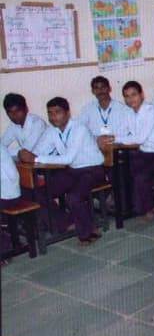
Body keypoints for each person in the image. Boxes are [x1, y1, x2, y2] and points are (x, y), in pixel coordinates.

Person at [17, 97, 105, 244]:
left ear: (67, 113)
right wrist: (24, 153)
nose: (53, 117)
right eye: (50, 113)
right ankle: (65, 223)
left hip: (93, 170)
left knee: (73, 197)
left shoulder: (79, 128)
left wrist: (36, 158)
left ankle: (88, 231)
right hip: (73, 171)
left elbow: (67, 158)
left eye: (58, 112)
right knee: (39, 193)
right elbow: (38, 151)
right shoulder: (52, 131)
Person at [117, 81, 154, 219]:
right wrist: (110, 137)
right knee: (122, 168)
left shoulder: (151, 111)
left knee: (141, 174)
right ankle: (130, 207)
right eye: (127, 96)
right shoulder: (129, 113)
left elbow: (139, 138)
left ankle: (149, 208)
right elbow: (123, 132)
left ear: (142, 95)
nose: (131, 99)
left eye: (134, 95)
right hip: (145, 153)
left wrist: (115, 138)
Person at [77, 76, 133, 146]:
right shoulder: (87, 110)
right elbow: (79, 131)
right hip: (95, 148)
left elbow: (130, 133)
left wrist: (113, 139)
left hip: (118, 148)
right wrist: (96, 139)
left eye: (103, 87)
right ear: (92, 91)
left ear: (109, 88)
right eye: (96, 88)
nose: (100, 91)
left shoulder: (123, 109)